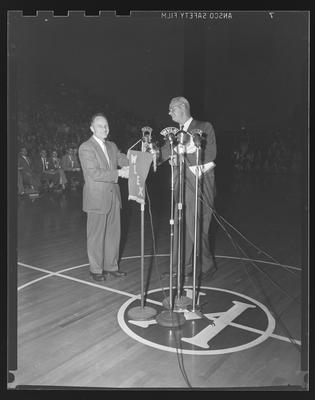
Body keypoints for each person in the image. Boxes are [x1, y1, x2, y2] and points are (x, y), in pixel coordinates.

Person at [159, 96, 217, 281]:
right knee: (180, 226)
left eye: (171, 109)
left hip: (201, 185)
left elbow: (210, 154)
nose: (169, 113)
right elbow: (162, 154)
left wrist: (183, 155)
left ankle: (207, 266)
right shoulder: (175, 134)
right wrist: (146, 155)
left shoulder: (204, 127)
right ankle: (181, 267)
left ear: (182, 107)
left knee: (198, 226)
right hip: (181, 186)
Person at [78, 113, 129, 282]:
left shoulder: (112, 146)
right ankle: (96, 269)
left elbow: (124, 159)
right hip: (97, 198)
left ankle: (111, 267)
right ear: (92, 128)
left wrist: (138, 158)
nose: (105, 129)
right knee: (96, 236)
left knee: (114, 234)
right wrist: (119, 173)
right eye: (100, 126)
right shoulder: (86, 147)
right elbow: (94, 173)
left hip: (114, 196)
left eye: (106, 126)